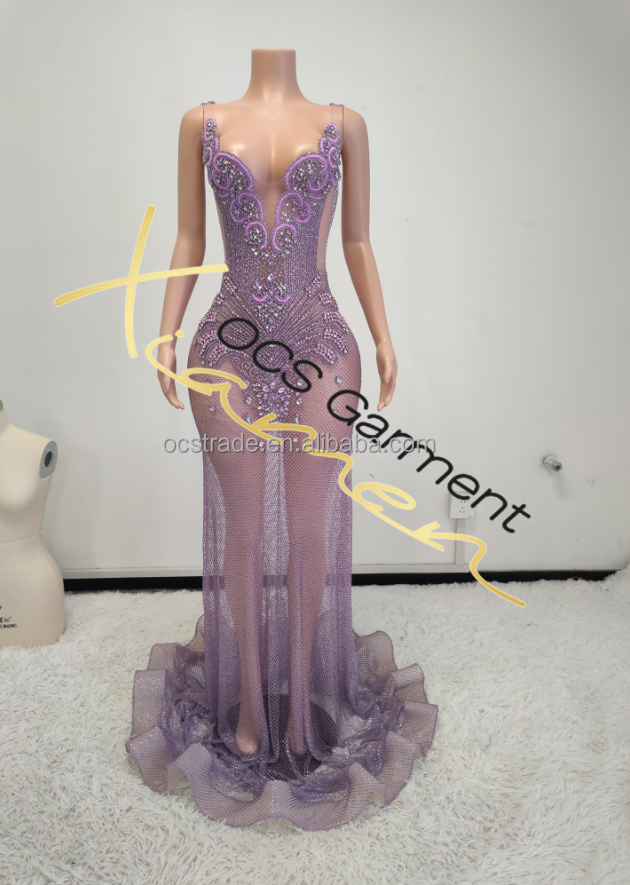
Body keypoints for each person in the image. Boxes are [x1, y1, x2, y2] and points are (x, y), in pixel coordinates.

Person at [126, 48, 438, 830]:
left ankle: (300, 703)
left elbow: (357, 241)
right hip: (225, 345)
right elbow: (189, 237)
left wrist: (383, 337)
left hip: (320, 341)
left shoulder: (343, 124)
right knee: (239, 533)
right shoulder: (202, 122)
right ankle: (246, 706)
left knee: (307, 530)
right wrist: (165, 331)